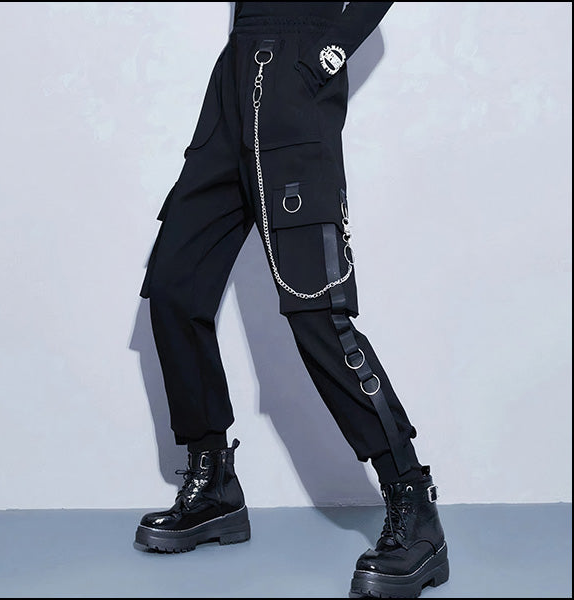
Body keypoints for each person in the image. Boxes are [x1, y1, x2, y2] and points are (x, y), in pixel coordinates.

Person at [134, 2, 449, 597]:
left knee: (316, 310)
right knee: (175, 285)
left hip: (297, 78)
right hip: (234, 80)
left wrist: (324, 57)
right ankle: (213, 484)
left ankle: (413, 503)